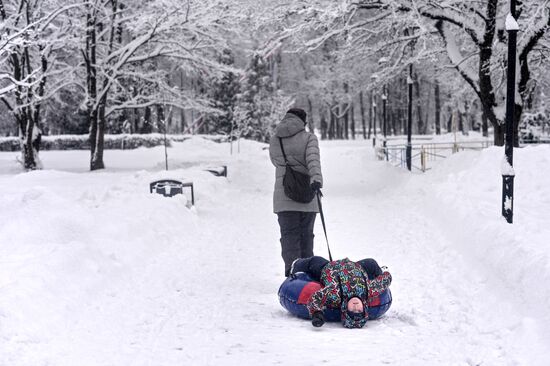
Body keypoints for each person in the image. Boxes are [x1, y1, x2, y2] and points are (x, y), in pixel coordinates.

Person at [269, 108, 323, 277]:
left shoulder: (275, 138)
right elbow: (313, 160)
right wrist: (316, 179)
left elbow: (275, 161)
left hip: (284, 193)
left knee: (288, 236)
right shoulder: (309, 138)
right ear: (303, 122)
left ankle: (292, 272)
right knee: (306, 234)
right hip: (307, 192)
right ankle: (307, 274)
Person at [290, 256, 392, 329]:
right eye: (359, 311)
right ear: (364, 307)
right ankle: (378, 269)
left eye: (352, 311)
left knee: (314, 261)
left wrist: (317, 313)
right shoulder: (369, 291)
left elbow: (316, 298)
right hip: (355, 266)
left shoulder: (336, 295)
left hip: (328, 267)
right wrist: (383, 273)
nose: (356, 307)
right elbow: (386, 279)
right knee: (371, 262)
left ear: (346, 308)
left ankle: (295, 264)